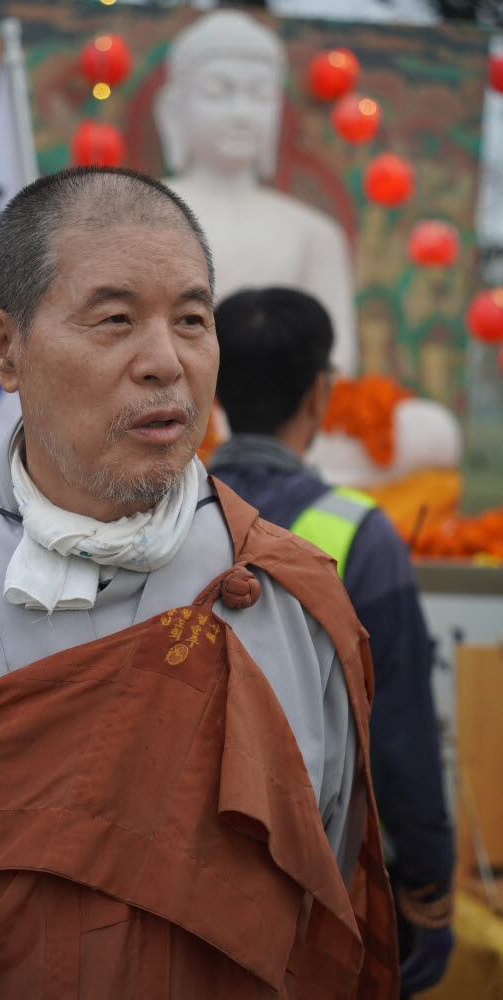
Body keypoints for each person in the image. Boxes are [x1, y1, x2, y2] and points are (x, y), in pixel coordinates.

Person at [0, 168, 398, 999]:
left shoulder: (288, 594)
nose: (166, 363)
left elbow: (319, 902)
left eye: (193, 321)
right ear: (4, 348)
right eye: (115, 321)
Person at [210, 286, 455, 1000]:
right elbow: (399, 729)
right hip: (320, 878)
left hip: (177, 862)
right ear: (321, 393)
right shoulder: (362, 537)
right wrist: (427, 878)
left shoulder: (164, 517)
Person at [155, 9, 358, 375]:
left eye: (259, 95)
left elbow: (338, 360)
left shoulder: (314, 232)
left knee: (427, 427)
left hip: (284, 410)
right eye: (219, 92)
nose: (242, 113)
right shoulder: (143, 215)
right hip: (172, 393)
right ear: (173, 109)